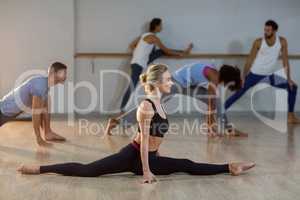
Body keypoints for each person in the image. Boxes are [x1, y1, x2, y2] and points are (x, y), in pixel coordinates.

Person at [18, 64, 255, 183]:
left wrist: (156, 156)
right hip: (133, 157)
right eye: (168, 80)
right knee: (88, 170)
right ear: (157, 83)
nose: (172, 82)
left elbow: (154, 136)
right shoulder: (147, 106)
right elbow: (142, 143)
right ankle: (39, 169)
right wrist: (148, 171)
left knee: (186, 163)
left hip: (149, 158)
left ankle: (230, 167)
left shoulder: (162, 103)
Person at [105, 62, 247, 137]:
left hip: (188, 85)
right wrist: (211, 125)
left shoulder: (215, 72)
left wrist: (211, 125)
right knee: (152, 105)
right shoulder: (213, 77)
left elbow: (212, 104)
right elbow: (210, 107)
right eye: (229, 84)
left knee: (217, 101)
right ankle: (118, 121)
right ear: (227, 78)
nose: (226, 86)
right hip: (174, 82)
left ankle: (229, 130)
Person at [113, 18, 193, 123]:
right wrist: (142, 56)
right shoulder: (153, 37)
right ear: (156, 26)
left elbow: (132, 45)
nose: (162, 27)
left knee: (159, 51)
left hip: (138, 62)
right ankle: (121, 110)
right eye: (160, 25)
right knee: (132, 86)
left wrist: (140, 53)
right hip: (138, 64)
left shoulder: (143, 36)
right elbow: (166, 50)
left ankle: (182, 53)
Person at [225, 20, 300, 124]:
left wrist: (288, 78)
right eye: (265, 30)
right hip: (254, 75)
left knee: (293, 87)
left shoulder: (282, 41)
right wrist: (243, 77)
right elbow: (250, 60)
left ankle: (290, 117)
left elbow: (285, 61)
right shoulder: (258, 42)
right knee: (239, 93)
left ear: (275, 30)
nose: (266, 32)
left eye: (268, 30)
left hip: (269, 76)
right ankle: (220, 111)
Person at [0, 62, 68, 146]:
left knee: (46, 104)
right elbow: (35, 113)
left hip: (7, 113)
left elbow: (44, 109)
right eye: (63, 73)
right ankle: (44, 134)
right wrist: (39, 139)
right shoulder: (40, 85)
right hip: (2, 111)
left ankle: (48, 132)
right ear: (53, 73)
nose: (65, 76)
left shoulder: (45, 85)